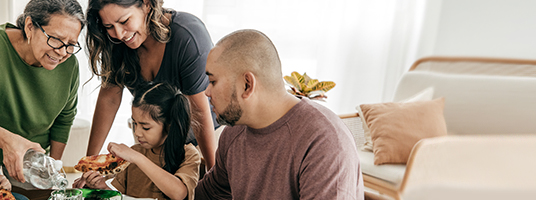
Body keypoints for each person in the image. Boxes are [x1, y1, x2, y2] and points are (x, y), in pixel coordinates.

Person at [195, 29, 364, 199]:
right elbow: (209, 195)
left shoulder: (325, 142)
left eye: (213, 82)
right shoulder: (233, 134)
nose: (207, 92)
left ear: (247, 85)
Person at [0, 0, 85, 189]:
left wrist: (52, 168)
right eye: (56, 39)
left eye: (70, 44)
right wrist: (10, 142)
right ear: (29, 26)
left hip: (30, 163)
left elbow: (63, 120)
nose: (62, 52)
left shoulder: (70, 65)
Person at [84, 0, 218, 169]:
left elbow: (199, 111)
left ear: (147, 4)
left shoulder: (188, 36)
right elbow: (109, 99)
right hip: (156, 141)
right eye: (109, 26)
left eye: (124, 21)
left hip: (208, 139)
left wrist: (213, 172)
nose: (118, 34)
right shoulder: (116, 42)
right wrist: (90, 163)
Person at [74, 82, 202, 200]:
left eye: (145, 127)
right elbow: (122, 197)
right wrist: (101, 187)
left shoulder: (189, 154)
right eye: (134, 124)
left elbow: (179, 194)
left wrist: (137, 158)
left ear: (169, 125)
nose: (137, 133)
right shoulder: (135, 152)